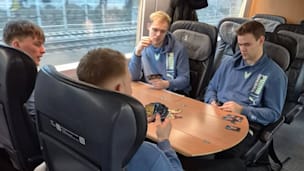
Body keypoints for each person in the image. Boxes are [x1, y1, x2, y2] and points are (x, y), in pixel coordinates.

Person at [76, 48, 183, 171]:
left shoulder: (70, 126)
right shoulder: (146, 155)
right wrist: (164, 141)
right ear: (119, 89)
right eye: (129, 82)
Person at [204, 21, 288, 159]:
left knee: (223, 157)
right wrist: (212, 101)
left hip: (245, 124)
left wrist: (242, 110)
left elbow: (273, 114)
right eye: (240, 44)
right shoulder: (228, 64)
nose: (242, 49)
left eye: (247, 44)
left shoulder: (275, 75)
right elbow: (211, 88)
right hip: (216, 114)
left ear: (261, 41)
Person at [128, 10, 191, 95]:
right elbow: (133, 77)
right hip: (150, 90)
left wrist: (167, 84)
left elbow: (185, 79)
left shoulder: (178, 49)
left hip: (171, 92)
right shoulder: (143, 46)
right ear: (148, 26)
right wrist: (137, 53)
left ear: (167, 31)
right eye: (155, 30)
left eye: (162, 31)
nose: (158, 34)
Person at [2, 19, 46, 119]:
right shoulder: (25, 79)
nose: (43, 50)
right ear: (16, 45)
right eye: (37, 44)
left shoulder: (4, 74)